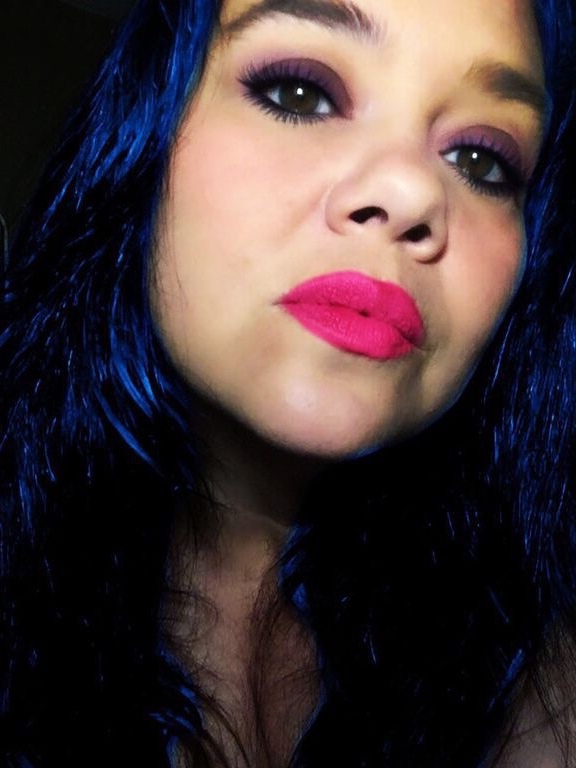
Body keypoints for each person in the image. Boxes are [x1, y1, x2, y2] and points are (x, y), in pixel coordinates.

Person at [0, 0, 575, 766]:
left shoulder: (538, 688)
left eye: (480, 160)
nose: (410, 191)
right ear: (147, 128)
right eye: (300, 93)